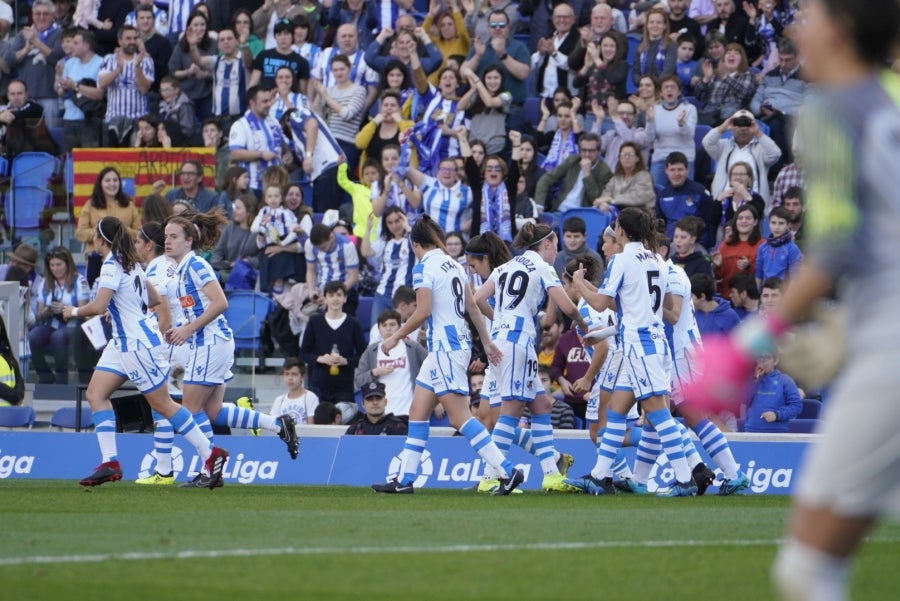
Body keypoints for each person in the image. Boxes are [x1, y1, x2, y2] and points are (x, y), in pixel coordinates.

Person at [62, 216, 230, 489]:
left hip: (137, 344)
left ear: (100, 239)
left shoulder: (111, 265)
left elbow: (100, 304)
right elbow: (153, 299)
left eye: (94, 235)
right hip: (124, 342)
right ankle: (110, 462)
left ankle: (210, 454)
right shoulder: (130, 262)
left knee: (162, 404)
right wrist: (127, 308)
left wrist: (75, 311)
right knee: (96, 394)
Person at [372, 215, 525, 495]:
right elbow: (473, 307)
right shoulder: (454, 264)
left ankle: (507, 470)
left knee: (459, 417)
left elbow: (423, 311)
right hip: (454, 345)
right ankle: (405, 480)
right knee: (418, 411)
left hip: (445, 347)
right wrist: (487, 342)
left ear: (415, 244)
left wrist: (394, 336)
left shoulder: (423, 267)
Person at [567, 207, 699, 496]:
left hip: (640, 345)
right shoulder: (657, 260)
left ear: (622, 231)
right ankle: (600, 476)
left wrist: (578, 284)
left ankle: (686, 477)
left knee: (658, 413)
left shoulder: (623, 259)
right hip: (649, 342)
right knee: (615, 413)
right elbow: (640, 304)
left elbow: (601, 304)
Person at [164, 210, 299, 488]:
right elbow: (195, 308)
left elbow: (221, 302)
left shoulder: (196, 266)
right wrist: (180, 329)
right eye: (166, 237)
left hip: (211, 343)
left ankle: (210, 465)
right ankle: (279, 425)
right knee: (212, 411)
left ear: (189, 240)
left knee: (189, 408)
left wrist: (188, 329)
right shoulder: (180, 270)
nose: (167, 241)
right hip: (211, 343)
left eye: (174, 237)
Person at [473, 222, 587, 493]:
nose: (556, 251)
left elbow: (476, 299)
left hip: (507, 342)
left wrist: (498, 319)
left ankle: (550, 473)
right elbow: (567, 306)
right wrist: (584, 323)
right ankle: (492, 476)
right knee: (510, 414)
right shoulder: (542, 267)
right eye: (556, 245)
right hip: (516, 345)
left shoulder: (504, 267)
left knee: (541, 406)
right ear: (546, 243)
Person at [461, 8, 531, 132]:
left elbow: (523, 73)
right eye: (493, 25)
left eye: (502, 25)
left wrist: (502, 55)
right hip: (482, 109)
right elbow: (463, 73)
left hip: (511, 109)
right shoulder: (479, 47)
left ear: (508, 27)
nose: (497, 28)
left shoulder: (519, 47)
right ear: (488, 28)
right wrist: (477, 57)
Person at [299, 280, 366, 405]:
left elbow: (364, 355)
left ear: (345, 298)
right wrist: (321, 359)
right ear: (324, 298)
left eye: (339, 295)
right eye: (331, 295)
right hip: (318, 386)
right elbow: (304, 353)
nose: (335, 299)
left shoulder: (353, 323)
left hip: (344, 387)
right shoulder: (315, 322)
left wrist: (346, 361)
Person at [29, 247, 90, 384]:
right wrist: (47, 311)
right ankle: (45, 375)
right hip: (52, 323)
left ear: (67, 264)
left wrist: (66, 309)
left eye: (59, 265)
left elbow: (84, 310)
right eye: (52, 265)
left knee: (58, 337)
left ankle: (62, 378)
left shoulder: (79, 281)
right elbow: (39, 313)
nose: (55, 269)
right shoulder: (45, 282)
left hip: (74, 324)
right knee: (32, 336)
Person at [703, 109, 782, 210]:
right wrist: (724, 127)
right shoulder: (723, 146)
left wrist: (758, 132)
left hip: (753, 203)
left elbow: (776, 154)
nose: (743, 128)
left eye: (747, 124)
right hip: (725, 202)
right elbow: (707, 143)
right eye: (738, 124)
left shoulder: (761, 149)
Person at [355, 308, 426, 418]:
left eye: (392, 325)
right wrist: (374, 372)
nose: (388, 329)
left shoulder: (413, 347)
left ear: (400, 327)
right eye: (384, 325)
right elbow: (358, 381)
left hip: (409, 412)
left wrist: (437, 401)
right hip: (380, 415)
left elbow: (431, 370)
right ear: (378, 329)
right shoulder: (371, 351)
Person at [10, 0, 65, 130]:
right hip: (25, 96)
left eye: (46, 14)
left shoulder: (60, 33)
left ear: (53, 15)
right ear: (32, 15)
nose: (41, 17)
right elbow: (10, 60)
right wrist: (25, 50)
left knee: (51, 134)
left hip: (50, 95)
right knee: (23, 133)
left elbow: (56, 57)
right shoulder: (23, 34)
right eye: (38, 13)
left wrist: (36, 42)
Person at [98, 25, 154, 147]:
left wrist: (137, 67)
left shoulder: (146, 60)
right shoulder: (109, 59)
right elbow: (102, 84)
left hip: (138, 121)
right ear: (120, 41)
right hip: (113, 119)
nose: (132, 42)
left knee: (134, 160)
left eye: (135, 38)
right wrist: (119, 69)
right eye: (128, 38)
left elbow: (144, 89)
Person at [229, 85, 287, 193]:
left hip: (277, 186)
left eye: (270, 100)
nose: (269, 104)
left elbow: (282, 143)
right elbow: (235, 153)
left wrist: (287, 154)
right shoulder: (241, 125)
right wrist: (260, 154)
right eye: (264, 102)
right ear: (252, 103)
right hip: (253, 186)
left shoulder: (274, 121)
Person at [534, 133, 612, 213]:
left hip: (582, 215)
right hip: (560, 209)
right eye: (584, 150)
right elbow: (546, 179)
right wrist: (539, 206)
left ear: (599, 152)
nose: (587, 154)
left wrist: (587, 175)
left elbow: (597, 200)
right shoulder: (573, 160)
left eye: (591, 151)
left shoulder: (605, 171)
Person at [655, 151, 718, 248]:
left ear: (687, 170)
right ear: (666, 170)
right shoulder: (662, 196)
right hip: (672, 246)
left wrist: (709, 246)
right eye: (672, 170)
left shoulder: (700, 192)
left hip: (697, 245)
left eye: (680, 169)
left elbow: (711, 222)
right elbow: (660, 226)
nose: (676, 173)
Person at [76, 167, 141, 256]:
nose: (112, 184)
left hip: (124, 255)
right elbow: (80, 234)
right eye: (107, 181)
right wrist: (101, 232)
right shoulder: (90, 205)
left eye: (115, 180)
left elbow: (139, 234)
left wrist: (124, 231)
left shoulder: (129, 205)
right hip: (96, 255)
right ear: (100, 184)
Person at [59, 29, 104, 153]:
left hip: (90, 119)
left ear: (87, 46)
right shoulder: (69, 64)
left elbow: (100, 94)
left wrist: (75, 86)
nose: (71, 46)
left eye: (76, 43)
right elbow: (60, 92)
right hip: (69, 118)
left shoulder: (101, 63)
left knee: (89, 159)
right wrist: (63, 86)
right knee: (70, 157)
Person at [649, 75, 697, 183]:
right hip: (660, 159)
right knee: (657, 192)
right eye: (666, 87)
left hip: (684, 157)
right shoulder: (654, 110)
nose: (669, 89)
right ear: (661, 93)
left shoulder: (689, 109)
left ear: (679, 92)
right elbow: (649, 139)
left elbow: (689, 136)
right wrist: (650, 121)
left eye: (673, 87)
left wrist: (681, 123)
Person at [742, 351, 801, 433]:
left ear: (775, 361)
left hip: (777, 432)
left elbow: (796, 407)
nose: (761, 362)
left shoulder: (786, 380)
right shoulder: (751, 379)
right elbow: (743, 401)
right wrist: (753, 382)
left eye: (766, 358)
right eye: (759, 358)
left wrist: (777, 415)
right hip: (751, 430)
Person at [712, 204, 763, 297]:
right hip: (727, 297)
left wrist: (748, 267)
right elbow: (718, 277)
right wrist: (718, 266)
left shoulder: (762, 244)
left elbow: (764, 272)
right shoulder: (725, 244)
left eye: (748, 218)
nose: (744, 221)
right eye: (740, 218)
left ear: (755, 222)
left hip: (750, 298)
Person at [531, 3, 580, 99]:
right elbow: (533, 65)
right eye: (558, 17)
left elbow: (573, 65)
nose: (561, 20)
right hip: (545, 95)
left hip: (567, 97)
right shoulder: (548, 37)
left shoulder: (578, 39)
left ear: (573, 19)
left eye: (566, 17)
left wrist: (554, 53)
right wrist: (541, 54)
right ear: (553, 19)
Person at [249, 18, 309, 91]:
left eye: (286, 33)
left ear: (293, 35)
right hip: (266, 100)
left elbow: (302, 92)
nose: (283, 38)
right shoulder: (263, 56)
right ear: (275, 36)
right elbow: (253, 83)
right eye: (279, 34)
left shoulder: (301, 62)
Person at [211, 193, 260, 277]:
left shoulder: (258, 231)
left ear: (249, 211)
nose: (234, 211)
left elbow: (262, 258)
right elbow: (218, 252)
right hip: (227, 272)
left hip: (249, 275)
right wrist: (224, 264)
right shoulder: (229, 227)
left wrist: (248, 261)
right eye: (234, 207)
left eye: (238, 208)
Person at [755, 206, 803, 288]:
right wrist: (758, 296)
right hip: (765, 293)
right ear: (769, 224)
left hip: (783, 294)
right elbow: (758, 275)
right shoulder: (762, 247)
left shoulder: (792, 249)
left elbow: (795, 279)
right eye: (773, 223)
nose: (777, 227)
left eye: (781, 223)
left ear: (788, 225)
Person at [162, 159, 227, 216]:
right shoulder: (171, 195)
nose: (185, 177)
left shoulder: (212, 198)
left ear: (200, 177)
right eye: (183, 173)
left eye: (190, 174)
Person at [631, 7, 676, 88]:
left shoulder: (670, 46)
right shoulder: (640, 47)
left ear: (664, 26)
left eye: (659, 22)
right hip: (644, 90)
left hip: (663, 90)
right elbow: (635, 73)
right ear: (647, 25)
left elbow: (668, 71)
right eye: (651, 22)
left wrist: (652, 86)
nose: (655, 25)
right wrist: (643, 84)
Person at [344, 380, 409, 436]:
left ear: (385, 402)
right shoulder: (354, 430)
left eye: (378, 398)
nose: (375, 402)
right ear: (363, 403)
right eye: (370, 399)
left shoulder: (399, 427)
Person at [552, 216, 605, 281]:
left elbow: (598, 284)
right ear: (563, 237)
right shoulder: (556, 258)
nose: (572, 240)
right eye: (568, 236)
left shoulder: (594, 257)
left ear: (584, 237)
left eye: (576, 236)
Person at [270, 357, 319, 424]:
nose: (290, 378)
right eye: (287, 374)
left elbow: (311, 427)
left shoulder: (311, 398)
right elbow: (273, 425)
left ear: (302, 377)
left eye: (294, 374)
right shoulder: (279, 400)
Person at [690, 271, 740, 336]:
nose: (687, 299)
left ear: (702, 296)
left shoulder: (730, 316)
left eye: (691, 296)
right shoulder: (691, 314)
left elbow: (739, 343)